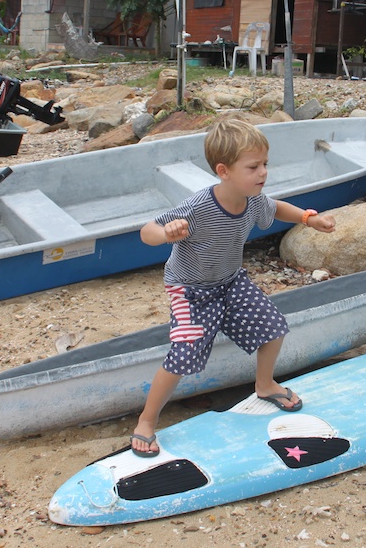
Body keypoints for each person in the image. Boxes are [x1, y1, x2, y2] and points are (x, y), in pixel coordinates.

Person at [130, 116, 336, 457]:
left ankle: (265, 384)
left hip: (229, 281)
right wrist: (166, 234)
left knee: (273, 329)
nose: (263, 173)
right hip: (189, 290)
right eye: (253, 167)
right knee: (184, 353)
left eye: (265, 164)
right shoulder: (197, 208)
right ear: (224, 171)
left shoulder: (253, 198)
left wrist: (307, 218)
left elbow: (277, 207)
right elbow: (147, 231)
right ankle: (146, 421)